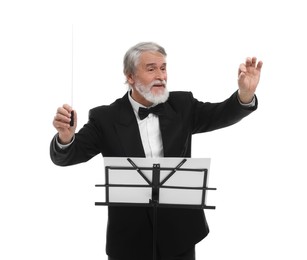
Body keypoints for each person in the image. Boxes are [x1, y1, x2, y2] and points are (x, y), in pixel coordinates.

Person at [50, 42, 263, 260]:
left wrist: (244, 95)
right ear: (130, 76)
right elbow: (69, 154)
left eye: (163, 68)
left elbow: (221, 114)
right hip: (129, 240)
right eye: (151, 69)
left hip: (180, 234)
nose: (160, 75)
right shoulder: (105, 118)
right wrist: (65, 138)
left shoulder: (182, 105)